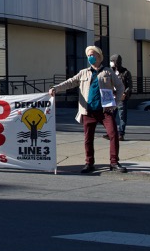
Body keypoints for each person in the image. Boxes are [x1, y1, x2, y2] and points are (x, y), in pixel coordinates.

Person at [49, 45, 127, 174]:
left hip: (105, 111)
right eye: (88, 55)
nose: (90, 57)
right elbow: (70, 82)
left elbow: (120, 87)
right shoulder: (83, 72)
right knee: (88, 138)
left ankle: (114, 162)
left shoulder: (108, 72)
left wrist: (116, 103)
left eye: (92, 55)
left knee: (113, 134)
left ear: (99, 56)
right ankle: (89, 163)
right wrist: (56, 88)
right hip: (88, 111)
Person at [109, 54, 133, 141]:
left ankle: (121, 134)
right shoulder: (110, 72)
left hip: (122, 99)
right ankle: (111, 133)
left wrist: (124, 94)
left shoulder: (126, 72)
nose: (111, 63)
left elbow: (129, 86)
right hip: (113, 97)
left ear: (116, 62)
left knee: (122, 116)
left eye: (112, 61)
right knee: (111, 116)